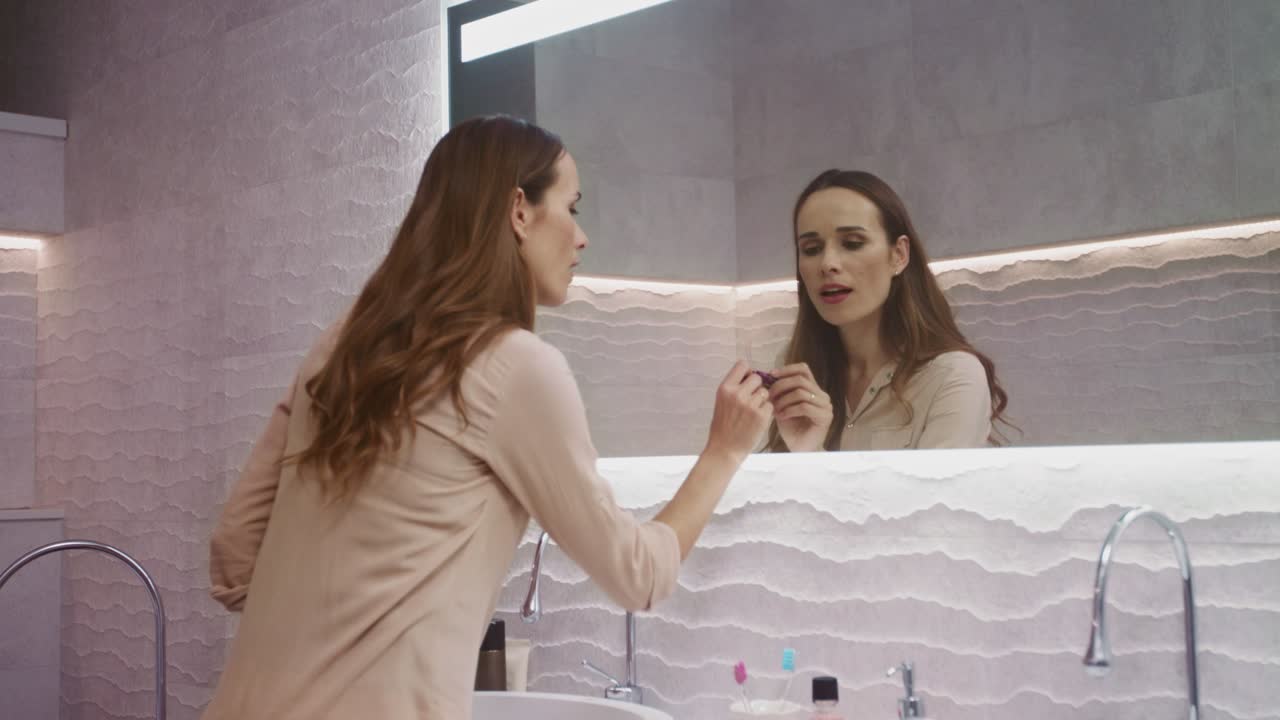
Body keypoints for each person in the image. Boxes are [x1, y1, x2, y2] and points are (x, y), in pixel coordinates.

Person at [201, 115, 772, 720]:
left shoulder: (345, 344)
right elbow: (637, 575)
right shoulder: (513, 366)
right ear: (519, 210)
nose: (581, 238)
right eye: (572, 207)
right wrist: (724, 451)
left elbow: (235, 558)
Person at [765, 169, 1011, 452]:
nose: (827, 263)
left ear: (899, 255)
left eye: (852, 243)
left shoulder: (952, 376)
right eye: (810, 249)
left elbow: (931, 496)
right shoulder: (797, 369)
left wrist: (812, 455)